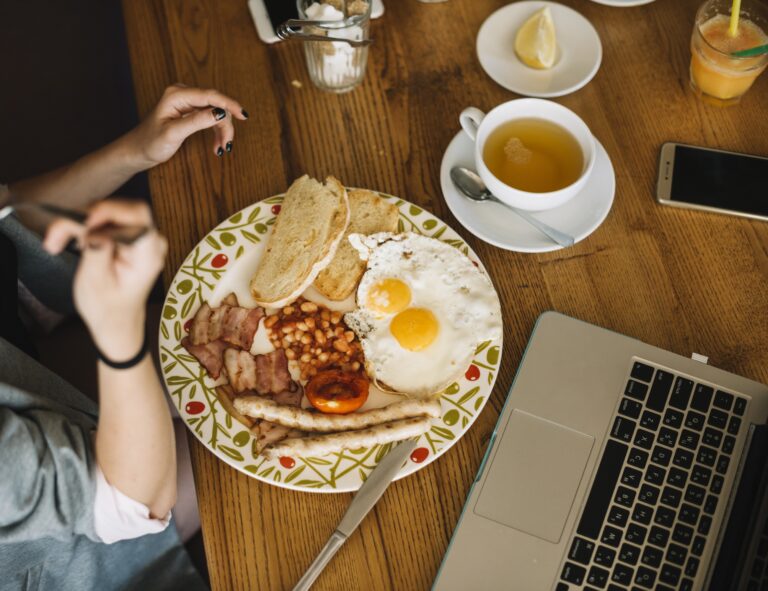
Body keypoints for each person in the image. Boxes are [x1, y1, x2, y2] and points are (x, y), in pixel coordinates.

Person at [0, 84, 247, 590]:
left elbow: (7, 216)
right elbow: (133, 499)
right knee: (275, 450)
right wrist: (120, 336)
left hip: (47, 378)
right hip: (89, 528)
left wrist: (135, 150)